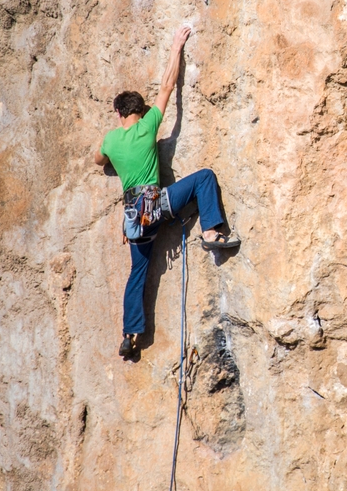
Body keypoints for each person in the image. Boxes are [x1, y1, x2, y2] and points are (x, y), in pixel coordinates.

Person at [94, 24, 239, 359]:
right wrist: (176, 47)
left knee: (138, 273)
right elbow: (167, 86)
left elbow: (98, 160)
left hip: (135, 219)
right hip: (157, 206)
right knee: (203, 177)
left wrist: (110, 152)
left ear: (118, 114)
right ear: (140, 112)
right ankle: (213, 233)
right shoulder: (147, 126)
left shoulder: (111, 140)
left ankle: (131, 334)